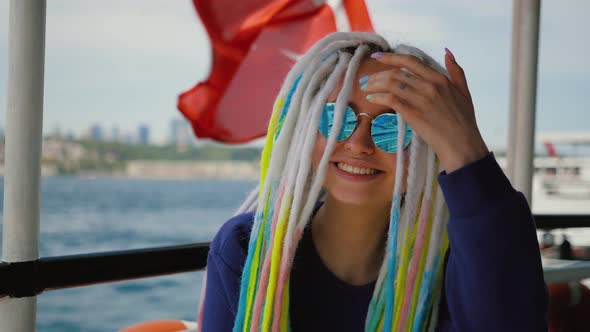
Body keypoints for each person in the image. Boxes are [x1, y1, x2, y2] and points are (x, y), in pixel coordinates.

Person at [198, 32, 548, 331]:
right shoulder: (245, 249)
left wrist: (466, 147)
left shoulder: (459, 265)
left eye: (392, 127)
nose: (359, 144)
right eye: (335, 118)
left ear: (432, 150)